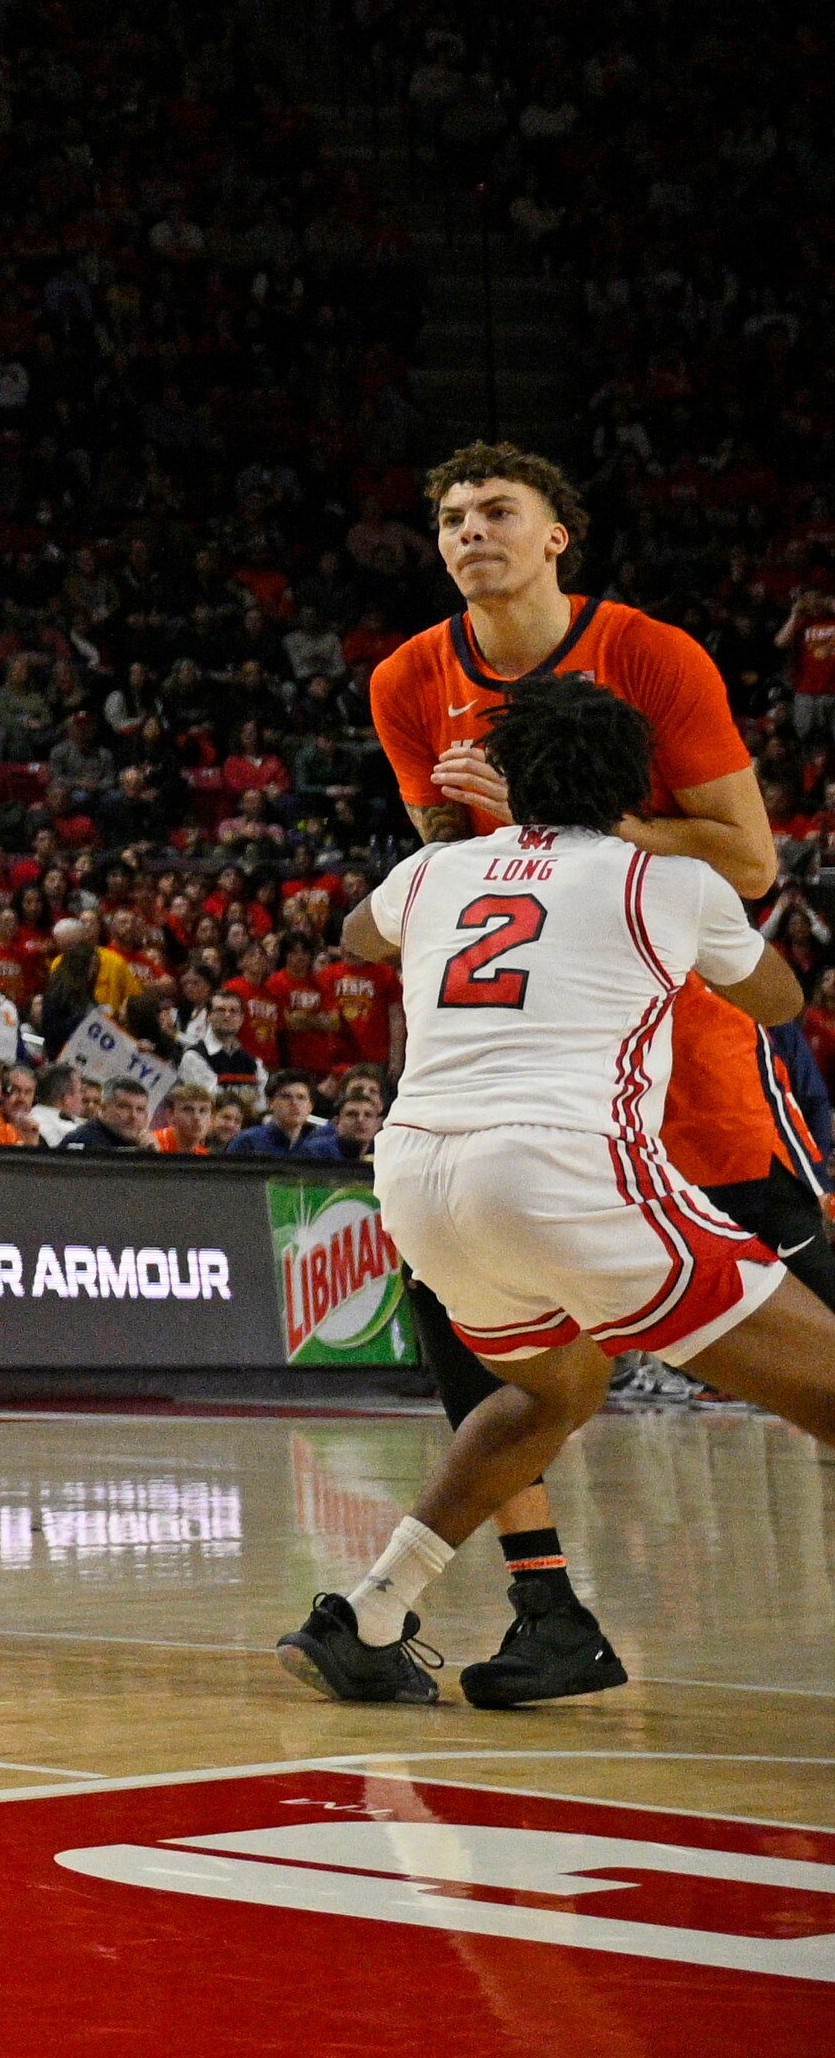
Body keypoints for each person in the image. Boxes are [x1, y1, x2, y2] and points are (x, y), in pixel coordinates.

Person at [286, 676, 835, 1699]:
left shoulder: (435, 868)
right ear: (632, 784)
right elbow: (776, 998)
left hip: (417, 1178)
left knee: (554, 1388)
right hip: (563, 1167)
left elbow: (357, 935)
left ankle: (368, 1609)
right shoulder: (660, 879)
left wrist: (449, 834)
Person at [359, 442, 796, 1704]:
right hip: (529, 1037)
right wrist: (481, 825)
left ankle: (398, 1603)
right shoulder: (406, 679)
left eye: (496, 511)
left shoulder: (650, 654)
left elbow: (748, 861)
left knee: (792, 1280)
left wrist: (556, 821)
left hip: (676, 1008)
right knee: (472, 1333)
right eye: (447, 517)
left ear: (559, 537)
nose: (467, 533)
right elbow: (447, 850)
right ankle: (542, 1608)